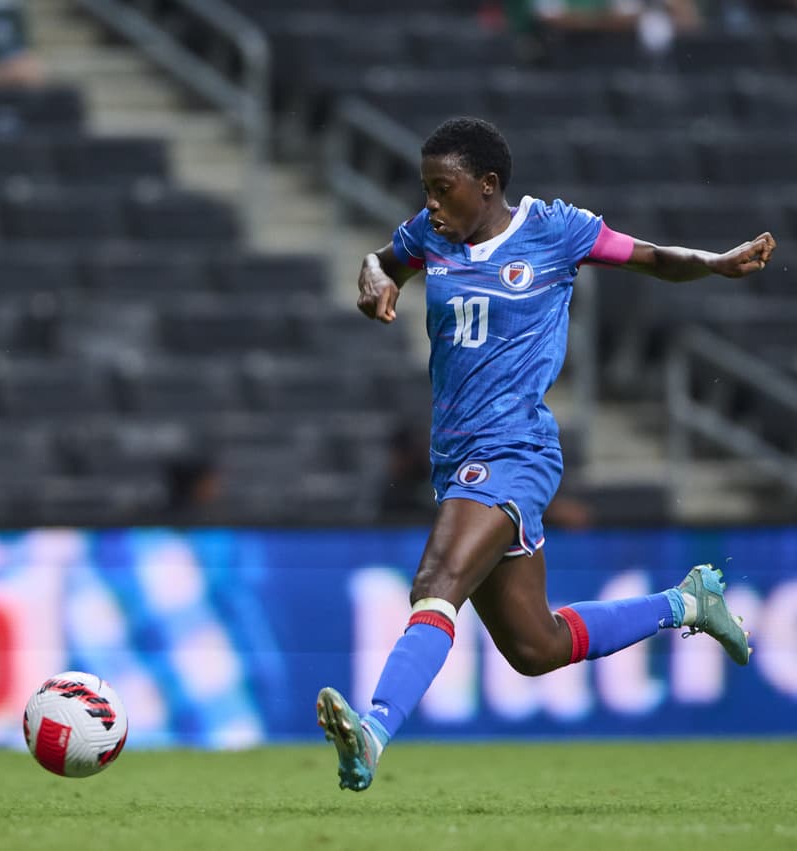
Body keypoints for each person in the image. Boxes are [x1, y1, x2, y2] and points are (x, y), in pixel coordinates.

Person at [316, 117, 775, 792]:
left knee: (437, 580)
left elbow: (648, 255)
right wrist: (374, 275)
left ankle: (373, 730)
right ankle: (688, 603)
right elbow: (384, 258)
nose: (431, 203)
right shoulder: (428, 235)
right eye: (426, 190)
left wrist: (712, 262)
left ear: (488, 185)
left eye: (444, 189)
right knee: (537, 647)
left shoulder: (554, 230)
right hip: (458, 460)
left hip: (516, 450)